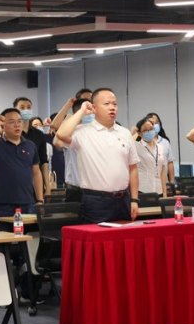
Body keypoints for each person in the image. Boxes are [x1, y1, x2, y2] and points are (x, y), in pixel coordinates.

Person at [55, 88, 139, 223]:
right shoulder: (82, 131)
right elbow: (61, 134)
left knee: (123, 235)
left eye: (115, 104)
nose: (112, 107)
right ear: (94, 108)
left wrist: (134, 200)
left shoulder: (125, 133)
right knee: (96, 235)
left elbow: (133, 168)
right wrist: (82, 111)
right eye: (106, 104)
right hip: (95, 200)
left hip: (124, 199)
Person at [0, 107, 44, 215]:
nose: (17, 125)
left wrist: (40, 200)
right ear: (3, 126)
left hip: (28, 203)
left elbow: (36, 173)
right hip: (3, 204)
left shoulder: (30, 145)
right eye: (12, 122)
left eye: (19, 121)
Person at [14, 96, 50, 193]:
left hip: (36, 184)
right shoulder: (11, 133)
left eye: (29, 107)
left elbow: (44, 162)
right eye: (22, 107)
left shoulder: (39, 134)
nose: (26, 110)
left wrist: (47, 186)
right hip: (15, 183)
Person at [141, 112, 176, 194]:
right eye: (151, 122)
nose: (154, 125)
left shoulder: (165, 142)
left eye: (156, 122)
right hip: (145, 186)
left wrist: (172, 182)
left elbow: (170, 162)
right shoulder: (141, 142)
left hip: (163, 185)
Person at [135, 118, 169, 196]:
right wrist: (136, 132)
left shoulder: (160, 147)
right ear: (139, 133)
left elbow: (163, 171)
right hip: (142, 190)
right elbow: (132, 141)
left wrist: (164, 193)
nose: (149, 132)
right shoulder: (137, 145)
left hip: (159, 190)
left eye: (151, 129)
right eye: (146, 130)